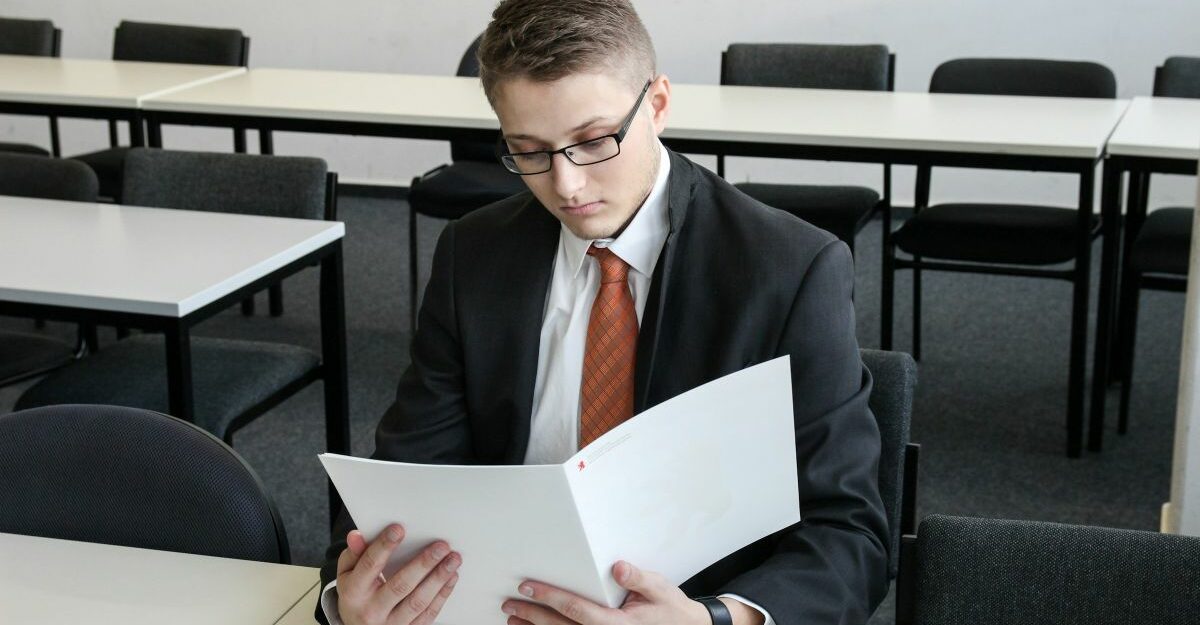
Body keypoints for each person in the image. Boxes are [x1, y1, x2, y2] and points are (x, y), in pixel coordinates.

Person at [318, 1, 888, 624]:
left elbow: (850, 534)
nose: (564, 185)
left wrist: (716, 619)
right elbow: (407, 475)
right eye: (529, 151)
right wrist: (349, 596)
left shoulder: (789, 269)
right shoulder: (474, 253)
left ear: (660, 105)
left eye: (593, 141)